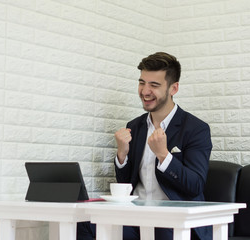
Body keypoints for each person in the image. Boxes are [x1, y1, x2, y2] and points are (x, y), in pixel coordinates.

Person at [77, 52, 212, 240]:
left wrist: (164, 155)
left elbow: (195, 185)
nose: (145, 91)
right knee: (84, 225)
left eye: (154, 85)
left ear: (174, 88)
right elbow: (126, 184)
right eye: (142, 83)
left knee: (163, 232)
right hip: (135, 217)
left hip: (173, 219)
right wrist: (122, 155)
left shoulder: (196, 129)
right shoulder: (134, 126)